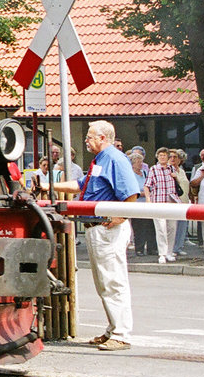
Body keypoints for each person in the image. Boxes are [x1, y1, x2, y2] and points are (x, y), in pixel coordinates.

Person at [53, 120, 141, 351]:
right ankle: (114, 329)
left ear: (103, 138)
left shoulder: (114, 159)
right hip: (98, 228)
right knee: (105, 282)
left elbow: (131, 191)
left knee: (113, 281)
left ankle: (121, 333)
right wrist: (52, 186)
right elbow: (83, 184)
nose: (86, 140)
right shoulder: (101, 160)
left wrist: (120, 217)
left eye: (90, 136)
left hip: (107, 228)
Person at [145, 147, 180, 263]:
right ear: (157, 157)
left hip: (171, 201)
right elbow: (147, 185)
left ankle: (169, 252)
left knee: (172, 227)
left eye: (164, 155)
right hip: (158, 201)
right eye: (160, 155)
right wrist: (148, 199)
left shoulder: (172, 169)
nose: (162, 157)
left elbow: (177, 185)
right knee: (161, 229)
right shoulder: (154, 169)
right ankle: (162, 253)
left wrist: (176, 178)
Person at [128, 150, 155, 255]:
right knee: (139, 227)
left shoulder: (145, 172)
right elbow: (131, 189)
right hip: (137, 204)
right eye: (139, 162)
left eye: (141, 162)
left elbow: (149, 185)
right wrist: (142, 193)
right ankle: (139, 248)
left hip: (147, 203)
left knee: (149, 226)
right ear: (133, 163)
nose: (141, 164)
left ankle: (151, 248)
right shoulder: (130, 174)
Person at [171, 148, 190, 257]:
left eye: (175, 157)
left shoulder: (181, 171)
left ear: (179, 159)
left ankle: (178, 247)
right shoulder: (167, 170)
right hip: (174, 203)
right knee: (173, 227)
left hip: (184, 202)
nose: (173, 159)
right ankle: (172, 248)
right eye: (171, 157)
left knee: (182, 226)